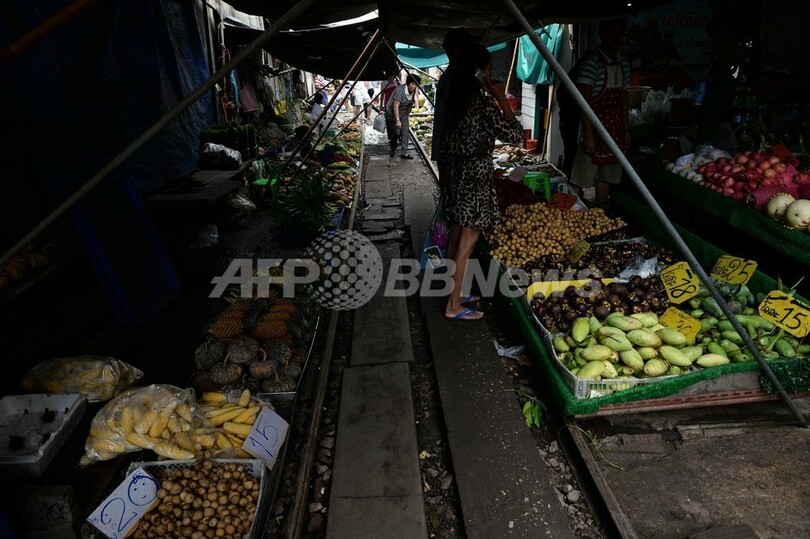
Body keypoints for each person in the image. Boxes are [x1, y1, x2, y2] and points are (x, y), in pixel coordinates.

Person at [442, 43, 522, 320]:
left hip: (457, 174)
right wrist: (500, 97)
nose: (492, 74)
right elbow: (513, 134)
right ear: (479, 71)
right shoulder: (482, 100)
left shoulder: (457, 95)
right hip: (475, 177)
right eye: (489, 69)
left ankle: (456, 294)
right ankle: (453, 306)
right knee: (467, 244)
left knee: (456, 238)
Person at [570, 18, 631, 206]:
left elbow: (623, 98)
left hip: (615, 131)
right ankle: (567, 212)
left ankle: (601, 211)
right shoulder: (591, 63)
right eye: (612, 32)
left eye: (620, 33)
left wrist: (626, 130)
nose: (616, 37)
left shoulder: (624, 64)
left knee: (607, 176)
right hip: (594, 132)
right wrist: (588, 135)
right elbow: (583, 103)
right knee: (581, 177)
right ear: (602, 34)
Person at [384, 73, 421, 159]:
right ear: (408, 83)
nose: (414, 86)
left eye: (416, 84)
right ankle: (393, 148)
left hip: (403, 113)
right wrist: (397, 120)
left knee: (405, 132)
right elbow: (395, 106)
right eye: (412, 84)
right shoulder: (400, 90)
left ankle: (404, 152)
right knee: (396, 133)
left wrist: (410, 112)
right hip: (392, 113)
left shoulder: (414, 90)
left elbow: (412, 101)